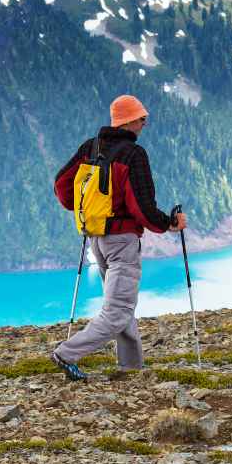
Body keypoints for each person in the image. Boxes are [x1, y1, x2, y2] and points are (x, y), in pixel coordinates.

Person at [50, 94, 187, 380]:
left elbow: (62, 184)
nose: (145, 123)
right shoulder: (133, 155)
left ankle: (131, 366)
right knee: (119, 309)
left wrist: (80, 207)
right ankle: (67, 353)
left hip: (97, 238)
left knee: (120, 304)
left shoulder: (91, 147)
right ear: (128, 120)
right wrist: (168, 224)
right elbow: (142, 206)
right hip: (122, 241)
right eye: (141, 118)